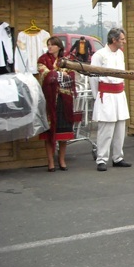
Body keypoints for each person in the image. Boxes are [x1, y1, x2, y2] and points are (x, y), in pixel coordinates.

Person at [90, 28, 132, 171]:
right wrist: (97, 97)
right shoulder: (99, 55)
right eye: (122, 39)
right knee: (106, 129)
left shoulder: (120, 54)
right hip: (106, 94)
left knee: (120, 128)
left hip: (119, 94)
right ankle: (101, 159)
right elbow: (93, 78)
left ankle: (118, 157)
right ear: (114, 40)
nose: (124, 42)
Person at [37, 36, 76, 172]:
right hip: (49, 100)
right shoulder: (43, 59)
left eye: (52, 45)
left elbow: (71, 75)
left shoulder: (66, 59)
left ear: (59, 46)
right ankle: (50, 161)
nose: (50, 47)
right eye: (48, 44)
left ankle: (62, 159)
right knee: (49, 132)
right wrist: (59, 75)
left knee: (63, 132)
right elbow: (46, 75)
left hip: (64, 99)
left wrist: (58, 75)